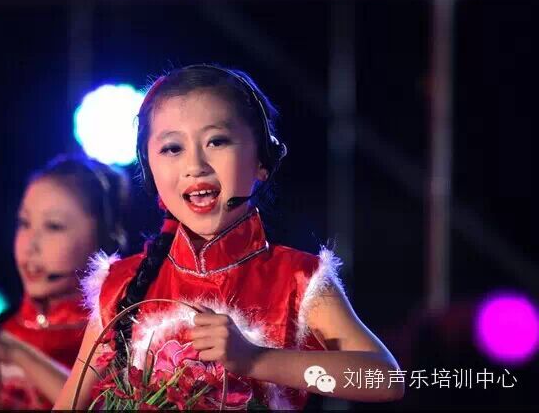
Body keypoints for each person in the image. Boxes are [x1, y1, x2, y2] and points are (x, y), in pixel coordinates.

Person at [54, 64, 405, 410]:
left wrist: (255, 359)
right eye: (172, 148)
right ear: (149, 170)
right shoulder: (120, 287)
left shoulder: (298, 280)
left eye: (217, 141)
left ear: (261, 161)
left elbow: (386, 379)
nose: (195, 165)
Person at [0, 153, 130, 406]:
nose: (30, 245)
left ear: (105, 239)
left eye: (53, 226)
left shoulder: (116, 342)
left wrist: (16, 353)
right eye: (24, 223)